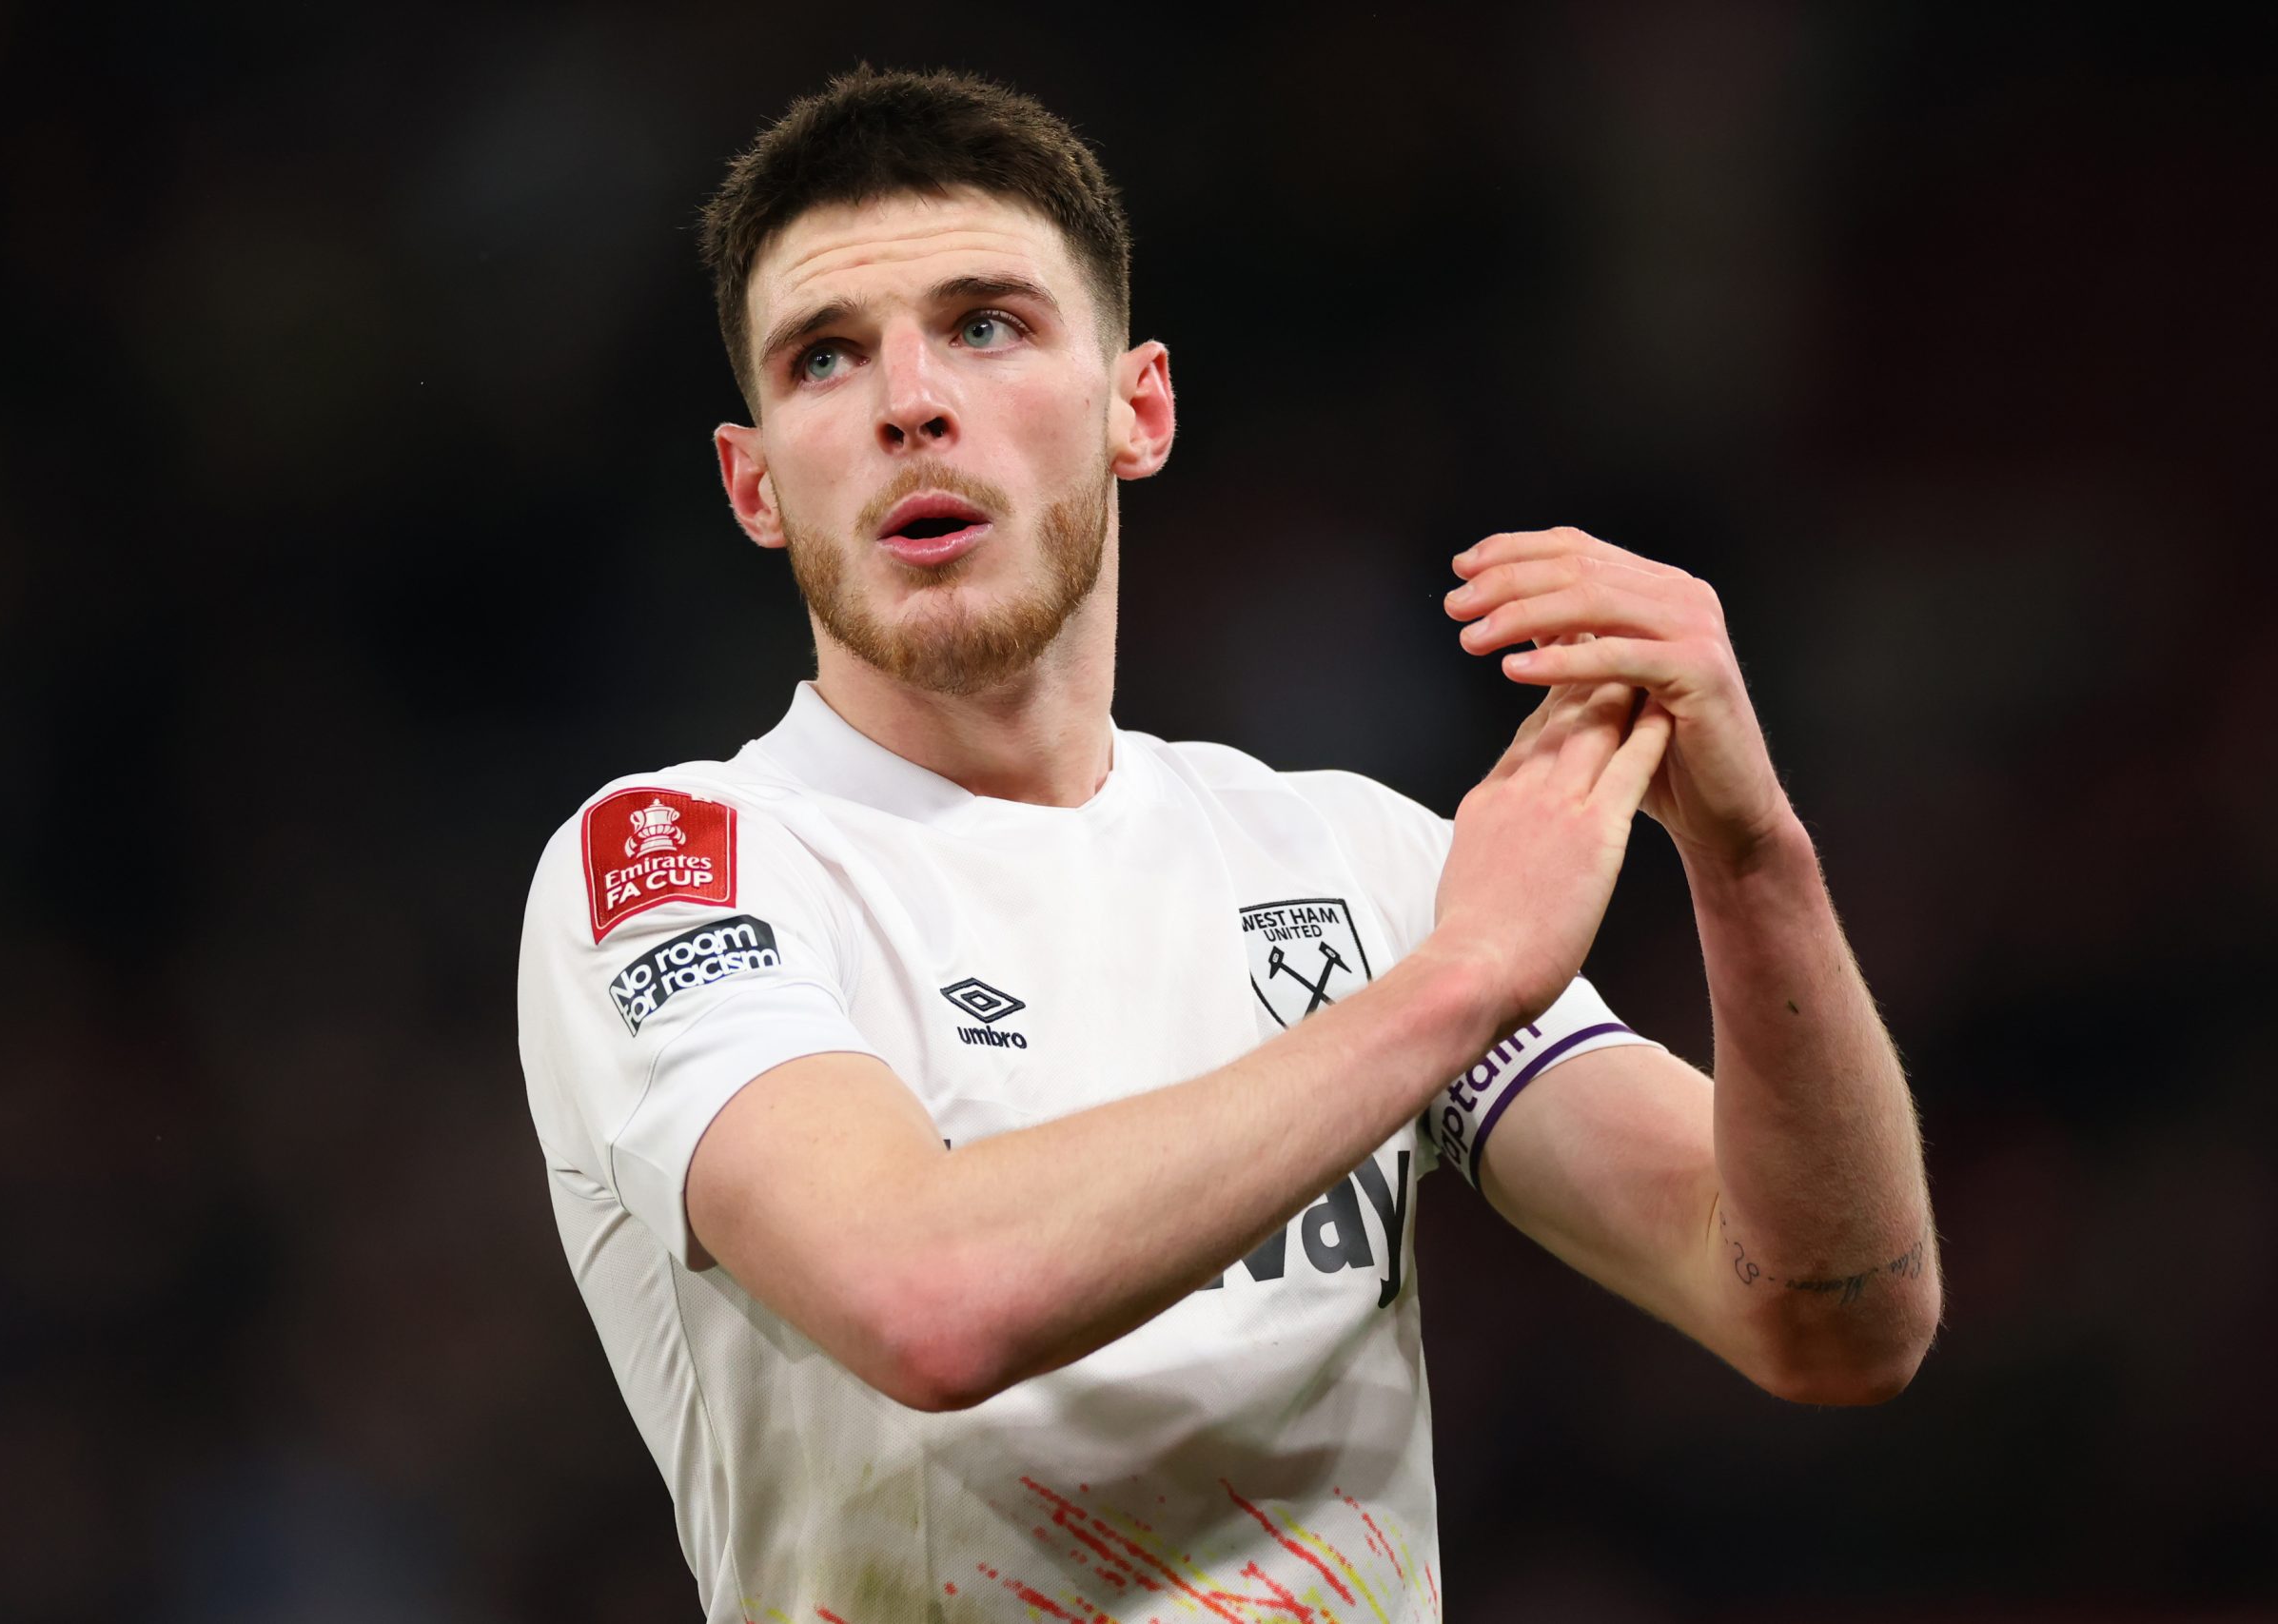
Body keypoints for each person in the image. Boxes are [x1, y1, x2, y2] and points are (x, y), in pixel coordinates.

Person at [516, 66, 1939, 1622]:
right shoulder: (682, 861)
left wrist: (1750, 860)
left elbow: (1832, 1318)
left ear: (1141, 409)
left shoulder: (1348, 861)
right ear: (754, 483)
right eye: (825, 358)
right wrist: (1460, 984)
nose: (908, 401)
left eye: (988, 324)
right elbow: (922, 1301)